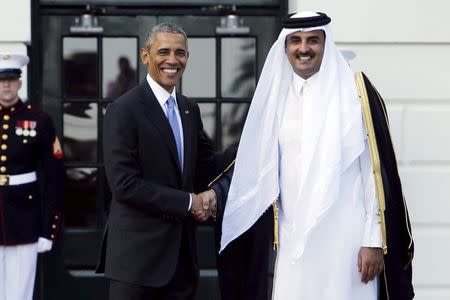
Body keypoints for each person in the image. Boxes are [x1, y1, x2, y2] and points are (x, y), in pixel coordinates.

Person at [212, 11, 415, 300]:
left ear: (326, 44)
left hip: (347, 240)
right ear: (285, 47)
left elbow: (374, 172)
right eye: (295, 40)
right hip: (294, 238)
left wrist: (373, 239)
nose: (303, 48)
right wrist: (212, 194)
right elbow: (252, 163)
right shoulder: (278, 97)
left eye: (312, 40)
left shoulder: (354, 93)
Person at [97, 23, 234, 300]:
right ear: (145, 55)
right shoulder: (123, 110)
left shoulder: (189, 109)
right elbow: (124, 185)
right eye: (164, 52)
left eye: (180, 53)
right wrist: (189, 202)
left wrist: (253, 142)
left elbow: (205, 168)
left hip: (182, 263)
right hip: (136, 265)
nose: (172, 60)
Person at [0, 53, 64, 300]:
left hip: (25, 219)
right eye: (1, 80)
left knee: (19, 293)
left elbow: (53, 179)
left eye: (11, 79)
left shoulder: (39, 121)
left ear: (19, 82)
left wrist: (49, 228)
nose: (6, 85)